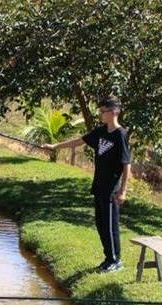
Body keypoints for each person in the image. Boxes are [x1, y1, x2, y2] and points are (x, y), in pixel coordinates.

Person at [43, 96, 132, 273]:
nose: (100, 115)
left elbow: (126, 164)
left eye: (103, 111)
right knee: (100, 224)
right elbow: (78, 141)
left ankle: (115, 260)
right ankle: (108, 258)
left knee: (110, 225)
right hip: (98, 186)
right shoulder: (101, 132)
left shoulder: (120, 135)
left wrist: (123, 191)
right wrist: (55, 146)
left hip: (111, 190)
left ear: (113, 112)